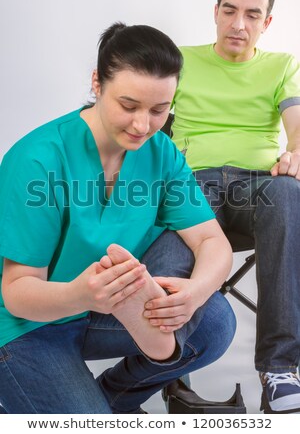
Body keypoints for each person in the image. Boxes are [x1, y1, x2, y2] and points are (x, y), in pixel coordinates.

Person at [0, 22, 235, 414]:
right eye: (129, 106)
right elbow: (17, 293)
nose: (143, 125)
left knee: (213, 322)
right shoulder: (37, 160)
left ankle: (111, 398)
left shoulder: (160, 151)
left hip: (98, 310)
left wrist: (193, 295)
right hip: (28, 325)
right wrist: (82, 293)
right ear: (97, 83)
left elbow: (213, 242)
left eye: (160, 110)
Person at [161, 0, 300, 414]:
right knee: (165, 209)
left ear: (267, 22)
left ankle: (279, 368)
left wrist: (296, 152)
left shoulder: (283, 66)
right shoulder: (178, 60)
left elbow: (296, 128)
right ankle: (170, 372)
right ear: (215, 12)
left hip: (256, 188)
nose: (239, 24)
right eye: (230, 10)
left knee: (289, 193)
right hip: (191, 182)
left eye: (252, 14)